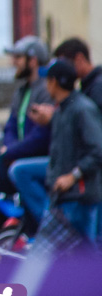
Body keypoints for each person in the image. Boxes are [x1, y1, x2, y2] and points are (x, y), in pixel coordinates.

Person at [39, 59, 102, 249]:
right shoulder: (61, 110)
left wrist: (73, 176)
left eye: (47, 80)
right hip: (64, 197)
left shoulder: (82, 109)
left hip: (80, 196)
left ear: (54, 82)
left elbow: (98, 150)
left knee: (84, 255)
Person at [0, 36, 52, 192]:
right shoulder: (21, 91)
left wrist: (11, 152)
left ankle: (46, 216)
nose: (13, 62)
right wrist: (11, 151)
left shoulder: (47, 90)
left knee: (13, 171)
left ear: (33, 61)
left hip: (37, 158)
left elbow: (40, 136)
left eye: (18, 57)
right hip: (19, 156)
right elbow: (10, 126)